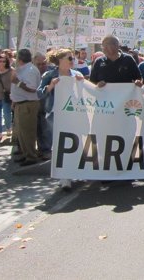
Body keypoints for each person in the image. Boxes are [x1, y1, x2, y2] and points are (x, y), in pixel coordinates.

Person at [37, 48, 84, 190]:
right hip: (54, 114)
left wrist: (82, 83)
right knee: (58, 145)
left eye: (73, 58)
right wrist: (50, 86)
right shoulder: (49, 75)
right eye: (69, 58)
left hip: (73, 115)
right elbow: (39, 94)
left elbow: (85, 95)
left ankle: (72, 171)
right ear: (60, 61)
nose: (72, 61)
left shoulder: (77, 74)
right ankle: (64, 177)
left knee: (74, 143)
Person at [9, 49, 42, 166]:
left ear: (20, 58)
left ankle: (31, 156)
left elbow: (32, 88)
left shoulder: (31, 70)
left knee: (27, 132)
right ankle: (25, 153)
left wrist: (17, 82)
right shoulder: (22, 69)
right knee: (21, 132)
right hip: (20, 103)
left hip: (28, 104)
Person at [0, 53, 13, 141]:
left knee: (7, 114)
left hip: (6, 96)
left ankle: (8, 128)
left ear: (7, 62)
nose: (1, 63)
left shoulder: (10, 71)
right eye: (0, 61)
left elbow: (14, 82)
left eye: (4, 61)